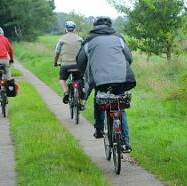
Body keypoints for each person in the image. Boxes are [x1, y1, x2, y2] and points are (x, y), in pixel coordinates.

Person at [76, 16, 135, 151]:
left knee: (99, 100)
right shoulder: (119, 38)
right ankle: (125, 141)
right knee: (119, 106)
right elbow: (129, 58)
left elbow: (80, 61)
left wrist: (84, 72)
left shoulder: (89, 40)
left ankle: (99, 129)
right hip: (121, 78)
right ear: (110, 26)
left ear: (95, 26)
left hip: (100, 80)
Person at [54, 20, 84, 104]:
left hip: (65, 65)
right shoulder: (80, 39)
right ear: (74, 29)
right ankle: (81, 102)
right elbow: (84, 52)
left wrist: (55, 62)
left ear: (65, 29)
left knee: (62, 78)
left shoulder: (61, 39)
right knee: (80, 80)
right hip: (78, 65)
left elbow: (57, 53)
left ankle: (66, 92)